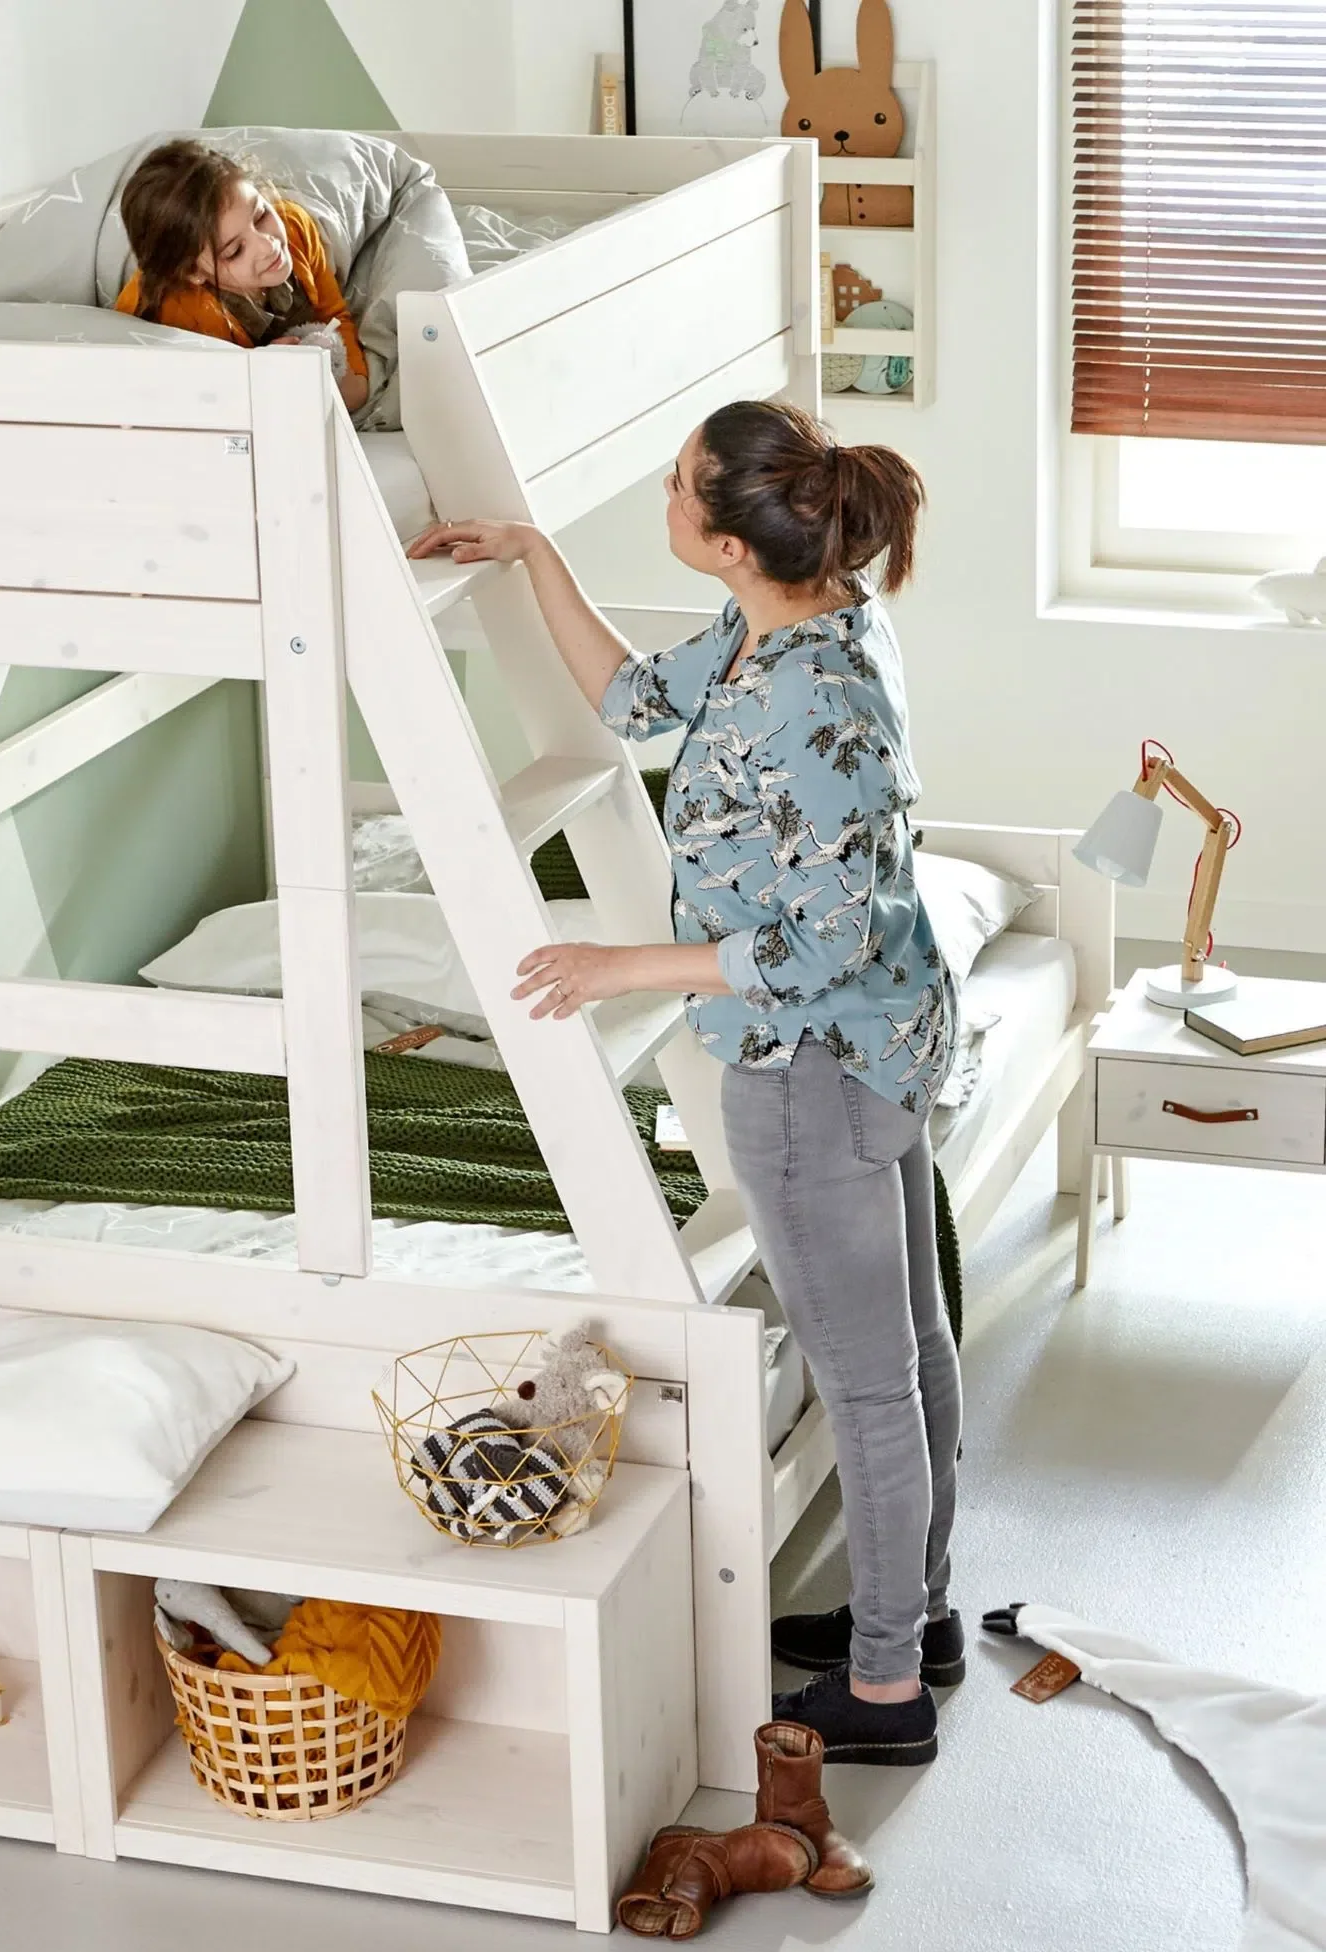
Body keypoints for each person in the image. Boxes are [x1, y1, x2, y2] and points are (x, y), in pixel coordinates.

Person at [408, 400, 961, 1765]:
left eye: (675, 487)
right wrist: (534, 556)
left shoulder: (814, 695)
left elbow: (819, 941)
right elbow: (631, 700)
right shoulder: (789, 622)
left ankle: (885, 1687)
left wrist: (623, 967)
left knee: (873, 1384)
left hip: (815, 1068)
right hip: (878, 1041)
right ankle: (919, 1620)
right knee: (911, 1347)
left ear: (726, 543)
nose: (661, 496)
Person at [114, 140, 369, 413]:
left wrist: (350, 382)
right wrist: (256, 370)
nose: (268, 246)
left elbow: (333, 315)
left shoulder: (295, 227)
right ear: (193, 272)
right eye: (235, 251)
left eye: (260, 216)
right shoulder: (177, 313)